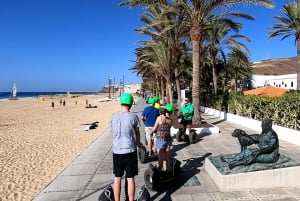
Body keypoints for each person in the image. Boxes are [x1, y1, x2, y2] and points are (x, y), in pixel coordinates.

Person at [109, 93, 142, 201]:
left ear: (120, 102)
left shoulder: (113, 116)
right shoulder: (133, 117)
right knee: (130, 178)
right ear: (131, 103)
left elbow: (111, 132)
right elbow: (137, 133)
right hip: (130, 151)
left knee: (117, 178)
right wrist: (138, 143)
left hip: (117, 151)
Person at [151, 104, 174, 172]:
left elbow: (154, 128)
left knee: (160, 157)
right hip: (168, 140)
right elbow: (168, 128)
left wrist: (151, 132)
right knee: (167, 158)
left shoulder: (159, 118)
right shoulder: (170, 120)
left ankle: (160, 171)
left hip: (160, 140)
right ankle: (168, 171)